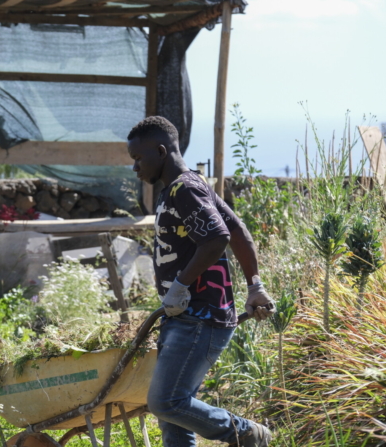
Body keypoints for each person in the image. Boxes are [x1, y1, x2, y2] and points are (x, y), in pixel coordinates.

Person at [127, 116, 276, 447]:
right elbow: (238, 231)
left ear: (161, 151)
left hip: (199, 317)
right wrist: (254, 286)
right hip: (186, 315)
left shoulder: (185, 188)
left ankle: (249, 434)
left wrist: (179, 285)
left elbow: (217, 239)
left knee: (165, 403)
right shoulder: (191, 185)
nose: (135, 168)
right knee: (172, 416)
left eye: (138, 159)